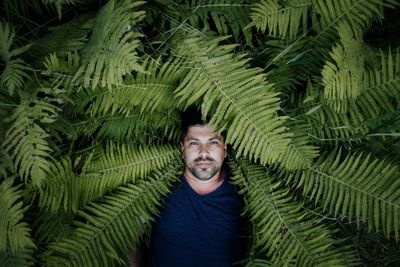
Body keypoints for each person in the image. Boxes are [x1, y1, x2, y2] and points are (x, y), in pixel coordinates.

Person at [148, 107, 246, 266]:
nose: (203, 153)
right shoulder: (158, 188)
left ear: (225, 149)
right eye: (194, 143)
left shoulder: (246, 195)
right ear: (182, 148)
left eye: (213, 142)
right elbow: (131, 232)